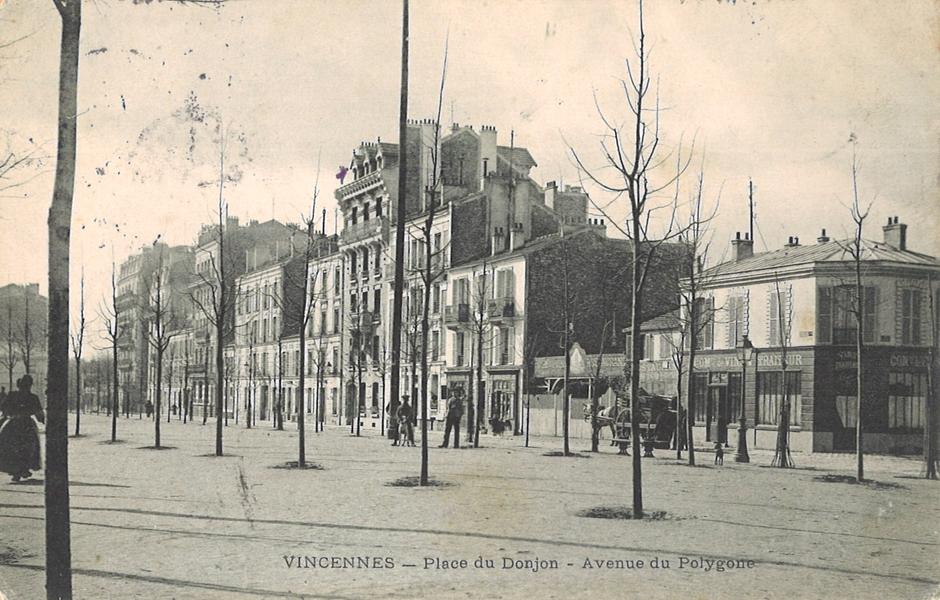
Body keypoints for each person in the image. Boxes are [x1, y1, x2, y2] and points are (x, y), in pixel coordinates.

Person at [0, 375, 45, 482]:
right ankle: (23, 468)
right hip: (26, 424)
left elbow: (3, 407)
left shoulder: (12, 395)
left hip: (13, 424)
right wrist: (42, 420)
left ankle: (16, 470)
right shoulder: (33, 397)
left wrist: (8, 414)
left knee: (10, 446)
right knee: (28, 447)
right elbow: (39, 413)